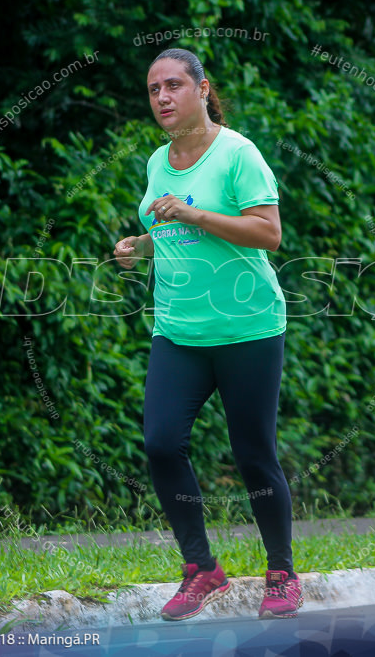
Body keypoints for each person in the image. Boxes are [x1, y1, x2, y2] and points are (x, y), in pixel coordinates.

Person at [113, 47, 300, 621]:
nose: (163, 98)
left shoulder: (238, 154)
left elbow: (268, 234)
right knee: (161, 443)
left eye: (173, 86)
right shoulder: (156, 162)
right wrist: (140, 247)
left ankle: (281, 573)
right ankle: (202, 568)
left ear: (201, 89)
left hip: (247, 329)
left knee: (253, 454)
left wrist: (195, 215)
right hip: (179, 331)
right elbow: (168, 230)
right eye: (153, 90)